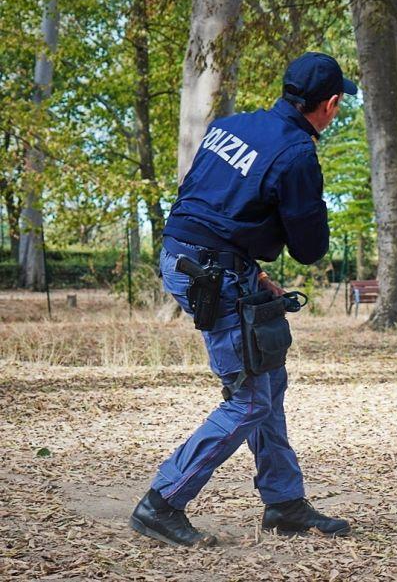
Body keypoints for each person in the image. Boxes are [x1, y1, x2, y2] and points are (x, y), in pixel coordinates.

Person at [130, 52, 357, 547]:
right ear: (332, 103)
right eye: (340, 104)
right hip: (212, 273)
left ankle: (284, 502)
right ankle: (162, 502)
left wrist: (249, 269)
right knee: (250, 397)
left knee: (267, 382)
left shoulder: (231, 126)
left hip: (189, 258)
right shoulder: (297, 154)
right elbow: (310, 248)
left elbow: (204, 202)